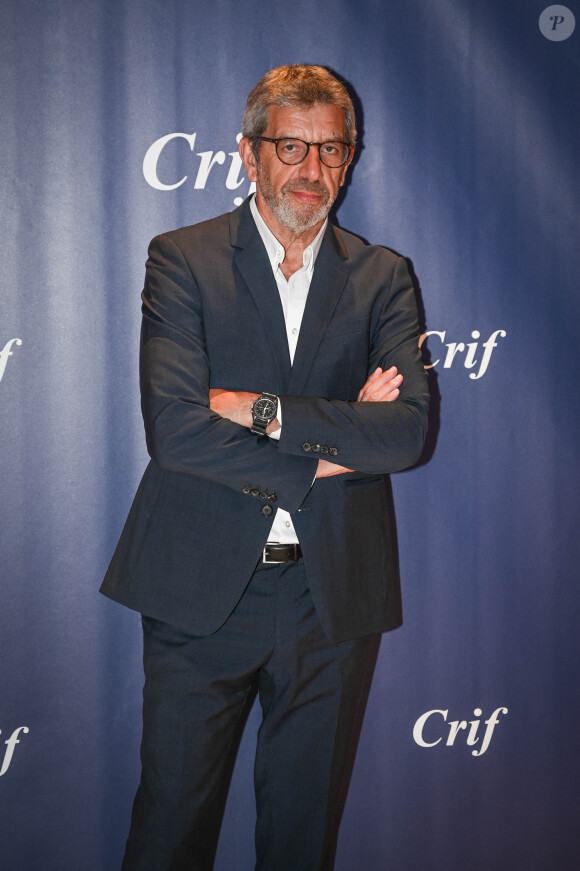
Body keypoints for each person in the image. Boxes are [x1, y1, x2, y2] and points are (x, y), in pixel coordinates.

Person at [101, 64, 429, 871]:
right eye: (291, 146)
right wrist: (327, 453)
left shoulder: (384, 275)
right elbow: (175, 430)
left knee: (300, 839)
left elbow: (405, 434)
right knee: (170, 828)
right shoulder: (182, 259)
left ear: (349, 160)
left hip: (330, 600)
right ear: (248, 154)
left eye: (330, 150)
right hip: (198, 592)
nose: (311, 170)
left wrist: (258, 407)